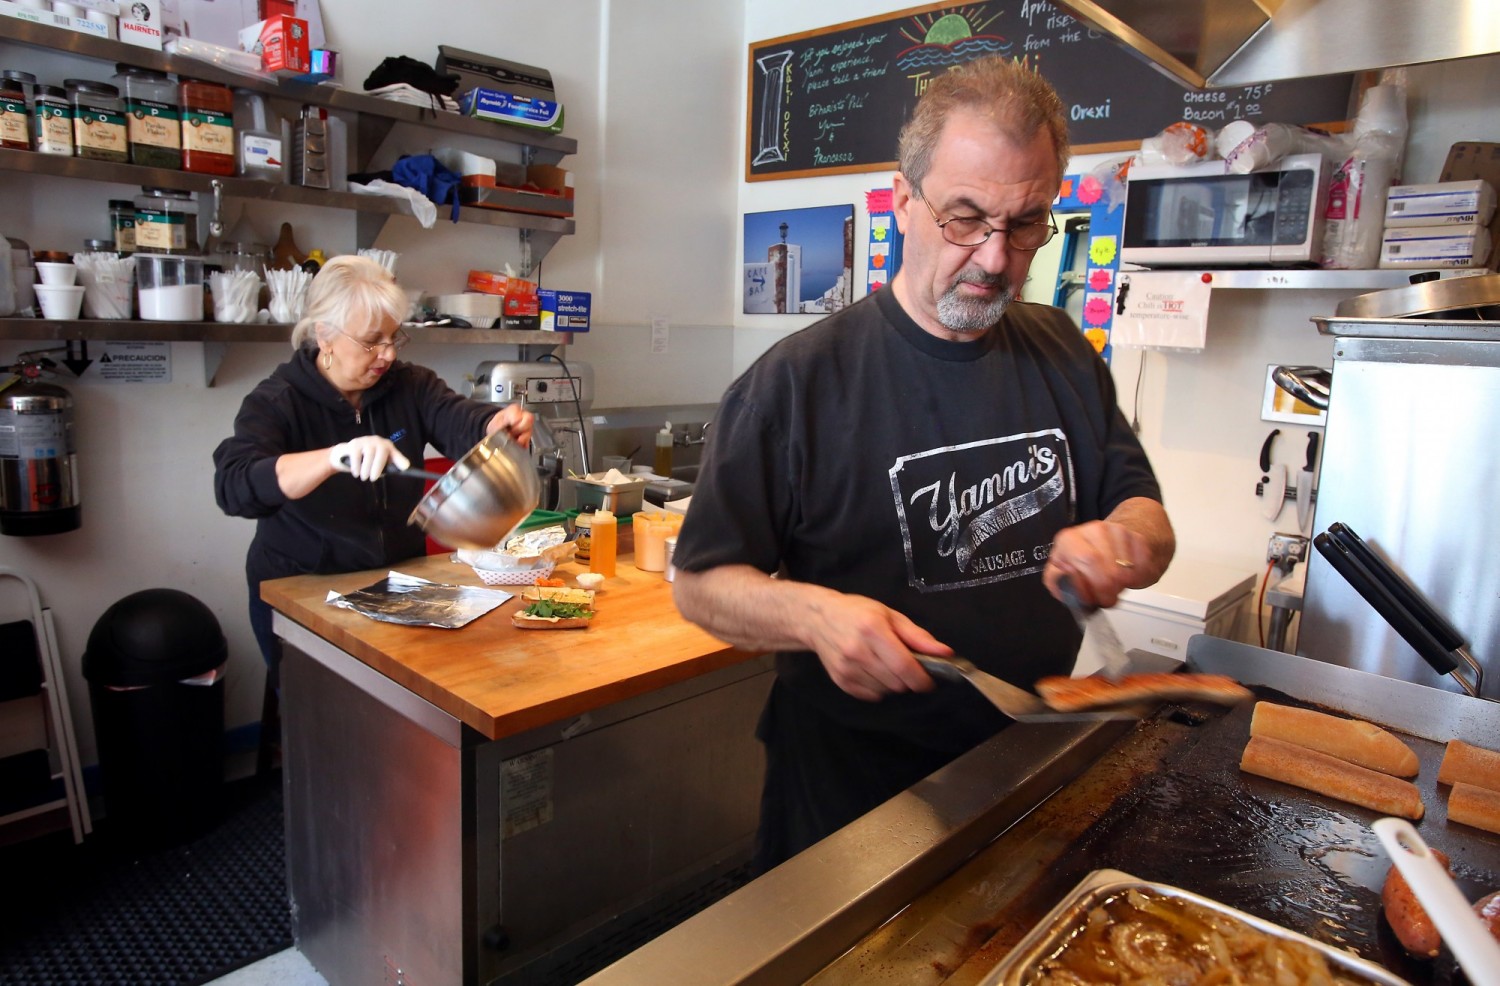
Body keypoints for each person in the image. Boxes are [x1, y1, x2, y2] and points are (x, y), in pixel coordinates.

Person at [671, 57, 1175, 872]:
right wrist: (817, 617)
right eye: (965, 217)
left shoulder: (1061, 354)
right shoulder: (797, 384)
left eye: (1024, 225)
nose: (994, 257)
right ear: (903, 201)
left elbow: (1142, 510)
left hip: (1023, 762)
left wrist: (1127, 543)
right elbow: (699, 583)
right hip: (850, 798)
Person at [213, 255, 533, 685]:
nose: (385, 354)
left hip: (397, 588)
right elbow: (235, 485)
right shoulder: (277, 401)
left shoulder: (410, 386)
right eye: (370, 341)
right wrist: (334, 457)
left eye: (392, 337)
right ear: (324, 334)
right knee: (330, 718)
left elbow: (460, 420)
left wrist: (494, 426)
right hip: (302, 590)